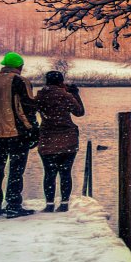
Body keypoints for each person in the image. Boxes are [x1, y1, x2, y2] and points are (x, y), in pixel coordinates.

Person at [0, 52, 38, 217]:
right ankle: (13, 205)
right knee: (16, 170)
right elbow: (28, 108)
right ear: (20, 66)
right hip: (17, 134)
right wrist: (34, 131)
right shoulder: (20, 81)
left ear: (4, 65)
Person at [33, 70, 85, 211]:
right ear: (61, 82)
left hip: (47, 139)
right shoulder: (66, 96)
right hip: (67, 139)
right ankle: (64, 204)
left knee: (49, 173)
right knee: (65, 173)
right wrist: (75, 94)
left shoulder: (39, 96)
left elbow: (31, 110)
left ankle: (49, 205)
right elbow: (79, 112)